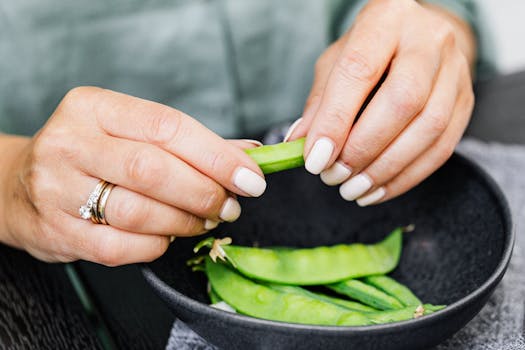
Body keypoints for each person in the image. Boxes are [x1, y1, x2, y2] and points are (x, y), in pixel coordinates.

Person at [0, 0, 487, 266]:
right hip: (64, 276)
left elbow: (435, 12)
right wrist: (11, 181)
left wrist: (432, 26)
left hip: (342, 195)